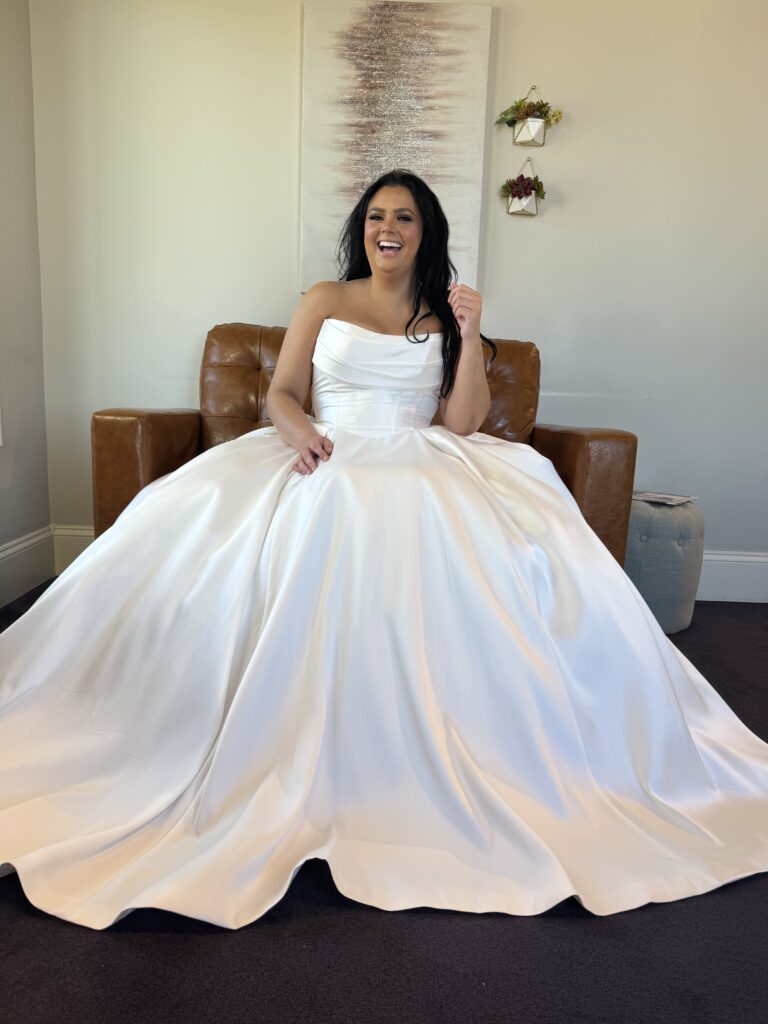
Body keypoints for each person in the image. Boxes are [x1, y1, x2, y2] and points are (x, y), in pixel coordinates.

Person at [1, 169, 767, 930]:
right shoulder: (324, 299)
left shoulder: (441, 316)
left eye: (403, 216)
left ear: (424, 230)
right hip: (325, 449)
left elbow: (461, 424)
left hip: (417, 457)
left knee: (490, 550)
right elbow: (282, 392)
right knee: (214, 527)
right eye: (375, 216)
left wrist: (471, 336)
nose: (387, 227)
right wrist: (299, 432)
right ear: (362, 229)